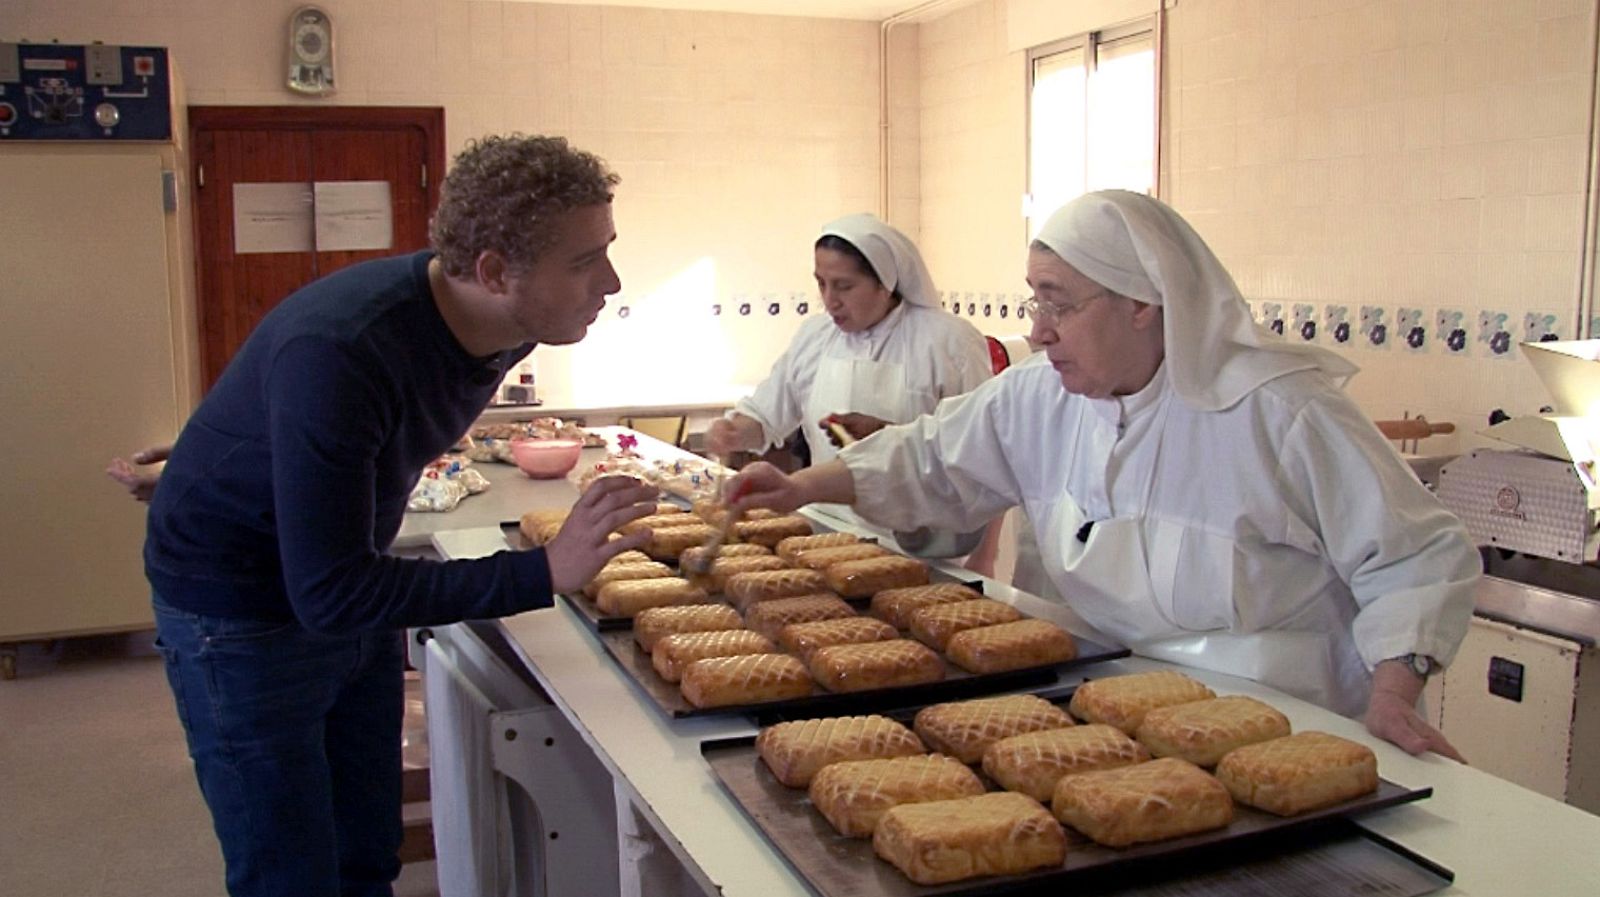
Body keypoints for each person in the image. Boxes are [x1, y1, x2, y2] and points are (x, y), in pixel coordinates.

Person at [729, 190, 1479, 761]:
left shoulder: (1279, 414)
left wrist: (1392, 695)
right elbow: (930, 454)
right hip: (1105, 715)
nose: (1037, 330)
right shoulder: (1040, 395)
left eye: (1060, 304)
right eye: (1035, 301)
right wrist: (799, 488)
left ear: (1145, 306)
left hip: (1279, 728)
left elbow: (1415, 555)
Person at [139, 135, 657, 897]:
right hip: (237, 605)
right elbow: (330, 594)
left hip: (344, 568)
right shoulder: (346, 349)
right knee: (289, 870)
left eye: (606, 250)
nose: (609, 282)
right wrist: (541, 570)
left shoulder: (501, 324)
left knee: (365, 850)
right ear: (491, 271)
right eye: (584, 261)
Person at [704, 213, 997, 560]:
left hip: (919, 544)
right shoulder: (815, 336)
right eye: (821, 283)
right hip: (826, 532)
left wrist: (985, 555)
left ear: (885, 283)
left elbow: (986, 452)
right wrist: (734, 432)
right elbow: (767, 414)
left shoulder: (949, 342)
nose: (830, 300)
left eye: (844, 286)